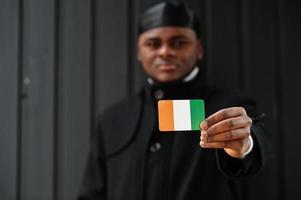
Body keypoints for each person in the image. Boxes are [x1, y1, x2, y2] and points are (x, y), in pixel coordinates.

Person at [78, 1, 267, 200]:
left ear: (199, 48)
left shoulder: (229, 105)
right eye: (153, 44)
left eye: (179, 42)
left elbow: (257, 139)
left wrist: (245, 145)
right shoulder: (112, 120)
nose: (165, 51)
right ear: (139, 52)